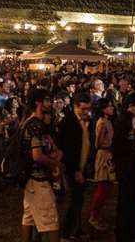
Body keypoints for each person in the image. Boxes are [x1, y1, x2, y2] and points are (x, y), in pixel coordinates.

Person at [21, 88, 61, 242]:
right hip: (38, 180)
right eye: (47, 100)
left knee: (29, 218)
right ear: (39, 102)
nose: (50, 103)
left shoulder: (29, 121)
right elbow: (37, 156)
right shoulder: (35, 125)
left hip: (30, 180)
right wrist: (54, 163)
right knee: (51, 221)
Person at [58, 92, 92, 239]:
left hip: (82, 166)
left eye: (88, 109)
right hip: (73, 168)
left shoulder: (83, 120)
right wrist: (76, 170)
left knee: (79, 199)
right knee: (74, 200)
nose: (86, 112)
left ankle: (76, 228)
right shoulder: (69, 122)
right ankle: (67, 231)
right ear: (75, 106)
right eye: (83, 109)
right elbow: (68, 149)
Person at [112, 91, 135, 242]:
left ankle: (131, 229)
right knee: (126, 200)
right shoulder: (123, 121)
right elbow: (118, 146)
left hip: (131, 165)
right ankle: (124, 232)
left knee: (132, 198)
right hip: (125, 167)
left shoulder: (132, 119)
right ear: (131, 105)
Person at [88, 97, 115, 230]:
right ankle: (94, 215)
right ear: (103, 109)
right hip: (103, 155)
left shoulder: (108, 121)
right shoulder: (102, 123)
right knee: (102, 186)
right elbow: (97, 143)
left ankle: (97, 214)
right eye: (109, 106)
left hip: (108, 154)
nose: (112, 108)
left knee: (107, 186)